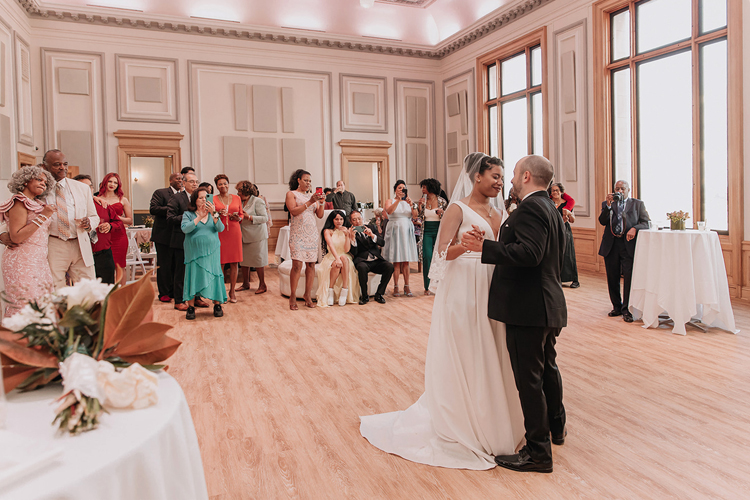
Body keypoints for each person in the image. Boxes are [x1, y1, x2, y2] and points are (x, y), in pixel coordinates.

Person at [360, 152, 523, 470]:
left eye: (503, 178)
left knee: (493, 348)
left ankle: (493, 416)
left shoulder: (499, 212)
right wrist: (466, 245)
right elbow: (440, 255)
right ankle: (464, 418)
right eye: (495, 176)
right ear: (477, 176)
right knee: (468, 348)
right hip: (465, 286)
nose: (500, 182)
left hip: (493, 283)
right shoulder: (458, 209)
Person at [461, 154, 567, 474]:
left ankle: (538, 452)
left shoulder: (531, 208)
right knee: (547, 369)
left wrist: (485, 248)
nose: (509, 180)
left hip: (528, 307)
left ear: (526, 177)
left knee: (529, 380)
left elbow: (530, 254)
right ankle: (556, 428)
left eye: (514, 174)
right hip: (547, 303)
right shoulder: (551, 208)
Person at [0, 166, 56, 317]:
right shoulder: (19, 202)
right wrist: (43, 216)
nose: (43, 183)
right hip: (21, 261)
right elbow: (16, 237)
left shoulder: (38, 203)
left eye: (45, 182)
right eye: (39, 179)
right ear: (25, 181)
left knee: (42, 303)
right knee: (24, 305)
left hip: (39, 260)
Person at [42, 149, 100, 289]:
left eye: (65, 164)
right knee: (55, 287)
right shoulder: (40, 188)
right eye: (57, 164)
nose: (62, 167)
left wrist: (89, 223)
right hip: (54, 243)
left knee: (88, 288)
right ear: (45, 166)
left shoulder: (82, 188)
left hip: (79, 243)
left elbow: (94, 217)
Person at [598, 180, 650, 323]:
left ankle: (627, 309)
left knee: (629, 277)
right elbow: (602, 221)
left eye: (622, 188)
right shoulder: (608, 204)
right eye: (617, 189)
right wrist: (608, 206)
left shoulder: (637, 204)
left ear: (628, 190)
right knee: (612, 277)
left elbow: (646, 223)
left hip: (628, 244)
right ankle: (616, 306)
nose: (619, 191)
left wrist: (635, 228)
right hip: (611, 244)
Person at [181, 186, 227, 319]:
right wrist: (199, 217)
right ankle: (191, 307)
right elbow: (185, 229)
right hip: (193, 253)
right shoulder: (188, 214)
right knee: (193, 276)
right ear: (194, 200)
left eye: (205, 197)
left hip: (212, 252)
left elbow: (220, 228)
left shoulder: (214, 214)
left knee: (214, 274)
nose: (203, 200)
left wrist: (214, 213)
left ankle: (217, 305)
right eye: (200, 197)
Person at [167, 172, 209, 311]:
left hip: (198, 240)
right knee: (181, 272)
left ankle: (197, 298)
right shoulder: (177, 197)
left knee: (197, 270)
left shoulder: (202, 198)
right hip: (181, 240)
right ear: (183, 183)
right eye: (191, 181)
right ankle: (179, 300)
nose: (195, 184)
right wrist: (190, 219)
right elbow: (170, 218)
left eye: (196, 181)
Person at [285, 169, 325, 310]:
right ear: (298, 180)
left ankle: (307, 295)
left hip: (311, 234)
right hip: (298, 234)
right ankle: (293, 295)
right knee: (297, 265)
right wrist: (310, 202)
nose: (308, 183)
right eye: (306, 180)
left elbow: (320, 215)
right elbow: (293, 211)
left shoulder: (311, 196)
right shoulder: (292, 194)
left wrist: (321, 202)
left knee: (311, 265)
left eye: (310, 181)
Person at [75, 174, 121, 285]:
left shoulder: (103, 205)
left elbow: (118, 223)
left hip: (103, 254)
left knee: (107, 288)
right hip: (80, 256)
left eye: (90, 187)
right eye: (84, 186)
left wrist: (110, 226)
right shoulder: (71, 208)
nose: (88, 190)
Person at [149, 173, 183, 301]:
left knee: (177, 264)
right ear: (170, 181)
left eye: (181, 179)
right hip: (163, 235)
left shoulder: (183, 195)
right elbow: (153, 209)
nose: (180, 180)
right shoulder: (160, 193)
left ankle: (175, 291)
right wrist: (172, 209)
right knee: (164, 265)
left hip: (178, 234)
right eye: (177, 178)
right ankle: (164, 293)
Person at [348, 210, 393, 305]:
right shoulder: (350, 232)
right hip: (362, 261)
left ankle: (379, 294)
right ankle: (364, 296)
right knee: (361, 267)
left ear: (362, 218)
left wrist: (372, 235)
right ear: (351, 222)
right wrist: (352, 238)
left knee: (389, 266)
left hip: (375, 260)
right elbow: (354, 253)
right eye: (354, 220)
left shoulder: (371, 227)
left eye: (359, 218)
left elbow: (382, 243)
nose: (357, 221)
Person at [316, 210, 358, 307]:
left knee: (344, 258)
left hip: (344, 255)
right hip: (331, 256)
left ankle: (344, 289)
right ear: (332, 220)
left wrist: (347, 235)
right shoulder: (327, 231)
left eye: (341, 219)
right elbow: (331, 246)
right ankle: (330, 291)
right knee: (336, 265)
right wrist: (337, 259)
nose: (339, 221)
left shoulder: (346, 230)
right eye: (336, 219)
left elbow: (346, 250)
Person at [383, 180, 418, 297]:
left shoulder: (409, 202)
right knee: (396, 260)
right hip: (395, 230)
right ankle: (396, 286)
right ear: (395, 190)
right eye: (399, 188)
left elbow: (415, 216)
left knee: (406, 260)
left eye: (404, 188)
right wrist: (398, 200)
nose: (402, 189)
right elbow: (389, 211)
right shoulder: (390, 201)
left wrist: (411, 204)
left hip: (406, 230)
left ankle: (407, 286)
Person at [96, 173, 132, 284]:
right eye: (110, 181)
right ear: (105, 182)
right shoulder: (97, 199)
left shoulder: (123, 200)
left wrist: (116, 217)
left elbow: (130, 220)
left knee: (120, 266)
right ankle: (107, 291)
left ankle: (121, 292)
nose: (112, 184)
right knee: (104, 265)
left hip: (119, 235)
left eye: (115, 182)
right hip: (103, 235)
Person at [213, 174, 243, 303]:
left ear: (228, 184)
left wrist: (238, 217)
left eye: (225, 183)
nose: (223, 186)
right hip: (220, 232)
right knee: (221, 263)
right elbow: (210, 215)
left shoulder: (237, 198)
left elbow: (241, 214)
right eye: (220, 184)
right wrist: (218, 214)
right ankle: (221, 291)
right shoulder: (213, 199)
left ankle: (232, 291)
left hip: (234, 232)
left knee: (234, 262)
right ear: (216, 186)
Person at [416, 178, 448, 295]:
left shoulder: (442, 201)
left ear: (431, 188)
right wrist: (420, 206)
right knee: (427, 257)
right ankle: (427, 286)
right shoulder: (423, 201)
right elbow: (419, 217)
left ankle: (439, 285)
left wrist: (442, 213)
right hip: (426, 231)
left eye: (424, 187)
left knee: (439, 258)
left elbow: (448, 217)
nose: (422, 190)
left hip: (439, 231)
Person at [237, 180, 268, 294]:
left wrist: (249, 217)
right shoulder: (239, 201)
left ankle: (262, 284)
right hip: (243, 235)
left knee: (258, 260)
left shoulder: (257, 201)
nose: (238, 193)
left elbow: (264, 218)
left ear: (245, 191)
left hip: (257, 236)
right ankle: (246, 283)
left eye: (239, 190)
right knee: (244, 260)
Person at [549, 182, 580, 288]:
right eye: (553, 190)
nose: (555, 192)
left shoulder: (567, 203)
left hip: (564, 230)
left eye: (557, 190)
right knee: (554, 255)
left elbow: (572, 220)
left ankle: (575, 280)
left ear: (561, 191)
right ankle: (556, 278)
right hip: (552, 230)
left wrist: (569, 214)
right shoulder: (549, 203)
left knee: (568, 254)